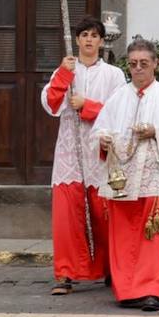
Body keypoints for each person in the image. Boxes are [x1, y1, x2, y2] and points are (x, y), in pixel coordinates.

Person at [89, 38, 159, 312]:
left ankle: (151, 290)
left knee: (153, 236)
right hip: (122, 179)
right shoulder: (117, 97)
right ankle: (127, 290)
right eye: (133, 64)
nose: (138, 69)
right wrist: (103, 140)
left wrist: (156, 132)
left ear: (155, 64)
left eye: (143, 63)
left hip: (156, 177)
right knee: (123, 235)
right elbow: (98, 131)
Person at [41, 16, 127, 296]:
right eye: (84, 35)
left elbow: (120, 112)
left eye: (94, 35)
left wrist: (87, 105)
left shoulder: (113, 74)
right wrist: (63, 76)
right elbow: (51, 104)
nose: (89, 40)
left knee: (104, 214)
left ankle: (110, 268)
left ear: (101, 41)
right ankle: (66, 273)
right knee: (67, 216)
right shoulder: (66, 69)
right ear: (77, 40)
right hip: (70, 150)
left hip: (99, 149)